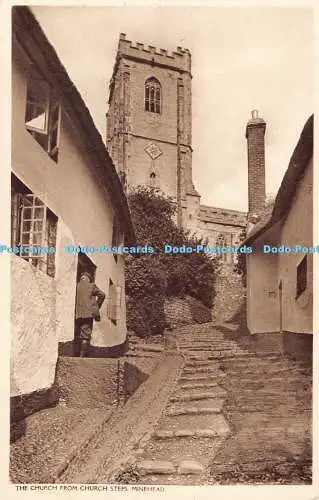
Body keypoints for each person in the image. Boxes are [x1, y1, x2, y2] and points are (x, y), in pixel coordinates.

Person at [74, 271, 106, 357]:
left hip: (77, 314)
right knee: (85, 334)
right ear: (88, 279)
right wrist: (96, 306)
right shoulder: (91, 286)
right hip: (88, 314)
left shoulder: (76, 286)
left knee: (77, 333)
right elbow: (102, 295)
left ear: (82, 278)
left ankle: (76, 353)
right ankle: (82, 356)